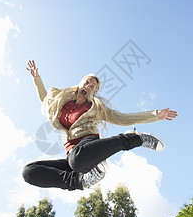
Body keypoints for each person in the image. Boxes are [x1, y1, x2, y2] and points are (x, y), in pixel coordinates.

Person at [22, 60, 178, 191]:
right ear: (81, 83)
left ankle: (133, 139)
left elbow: (122, 118)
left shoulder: (95, 108)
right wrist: (36, 78)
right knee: (29, 172)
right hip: (73, 155)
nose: (89, 86)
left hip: (87, 144)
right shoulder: (62, 100)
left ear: (93, 92)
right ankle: (80, 180)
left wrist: (154, 115)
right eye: (87, 82)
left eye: (93, 87)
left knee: (76, 160)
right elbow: (45, 99)